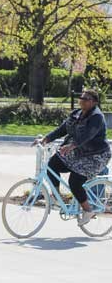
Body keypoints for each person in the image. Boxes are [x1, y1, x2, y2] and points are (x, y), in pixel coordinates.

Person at [35, 89, 111, 226]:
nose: (82, 100)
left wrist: (71, 146)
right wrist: (46, 139)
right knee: (53, 163)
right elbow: (62, 130)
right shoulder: (76, 114)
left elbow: (88, 135)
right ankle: (56, 197)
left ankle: (87, 210)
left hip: (96, 155)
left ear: (94, 102)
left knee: (75, 181)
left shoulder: (97, 117)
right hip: (78, 152)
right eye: (81, 97)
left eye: (86, 98)